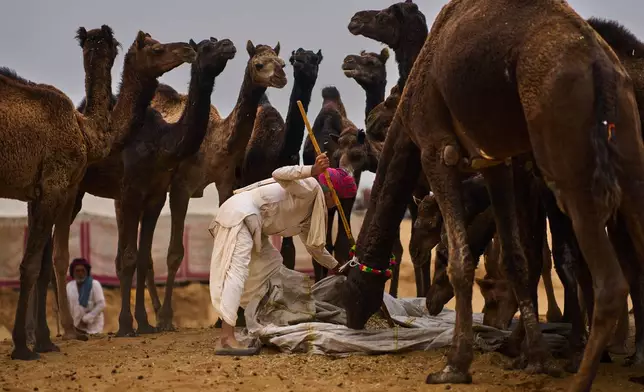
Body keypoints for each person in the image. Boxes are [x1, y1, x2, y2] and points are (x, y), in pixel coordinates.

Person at [208, 153, 357, 355]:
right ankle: (226, 338)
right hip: (240, 215)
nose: (336, 206)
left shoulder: (311, 210)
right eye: (339, 201)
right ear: (332, 193)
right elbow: (279, 174)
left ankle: (260, 319)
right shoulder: (310, 187)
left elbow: (315, 248)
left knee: (272, 267)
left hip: (254, 225)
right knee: (238, 271)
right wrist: (311, 170)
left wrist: (338, 268)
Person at [66, 258, 105, 335]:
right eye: (77, 271)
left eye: (82, 270)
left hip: (93, 328)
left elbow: (101, 304)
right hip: (76, 326)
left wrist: (86, 319)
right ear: (72, 273)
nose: (80, 273)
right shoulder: (69, 286)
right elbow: (68, 305)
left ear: (87, 272)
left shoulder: (95, 284)